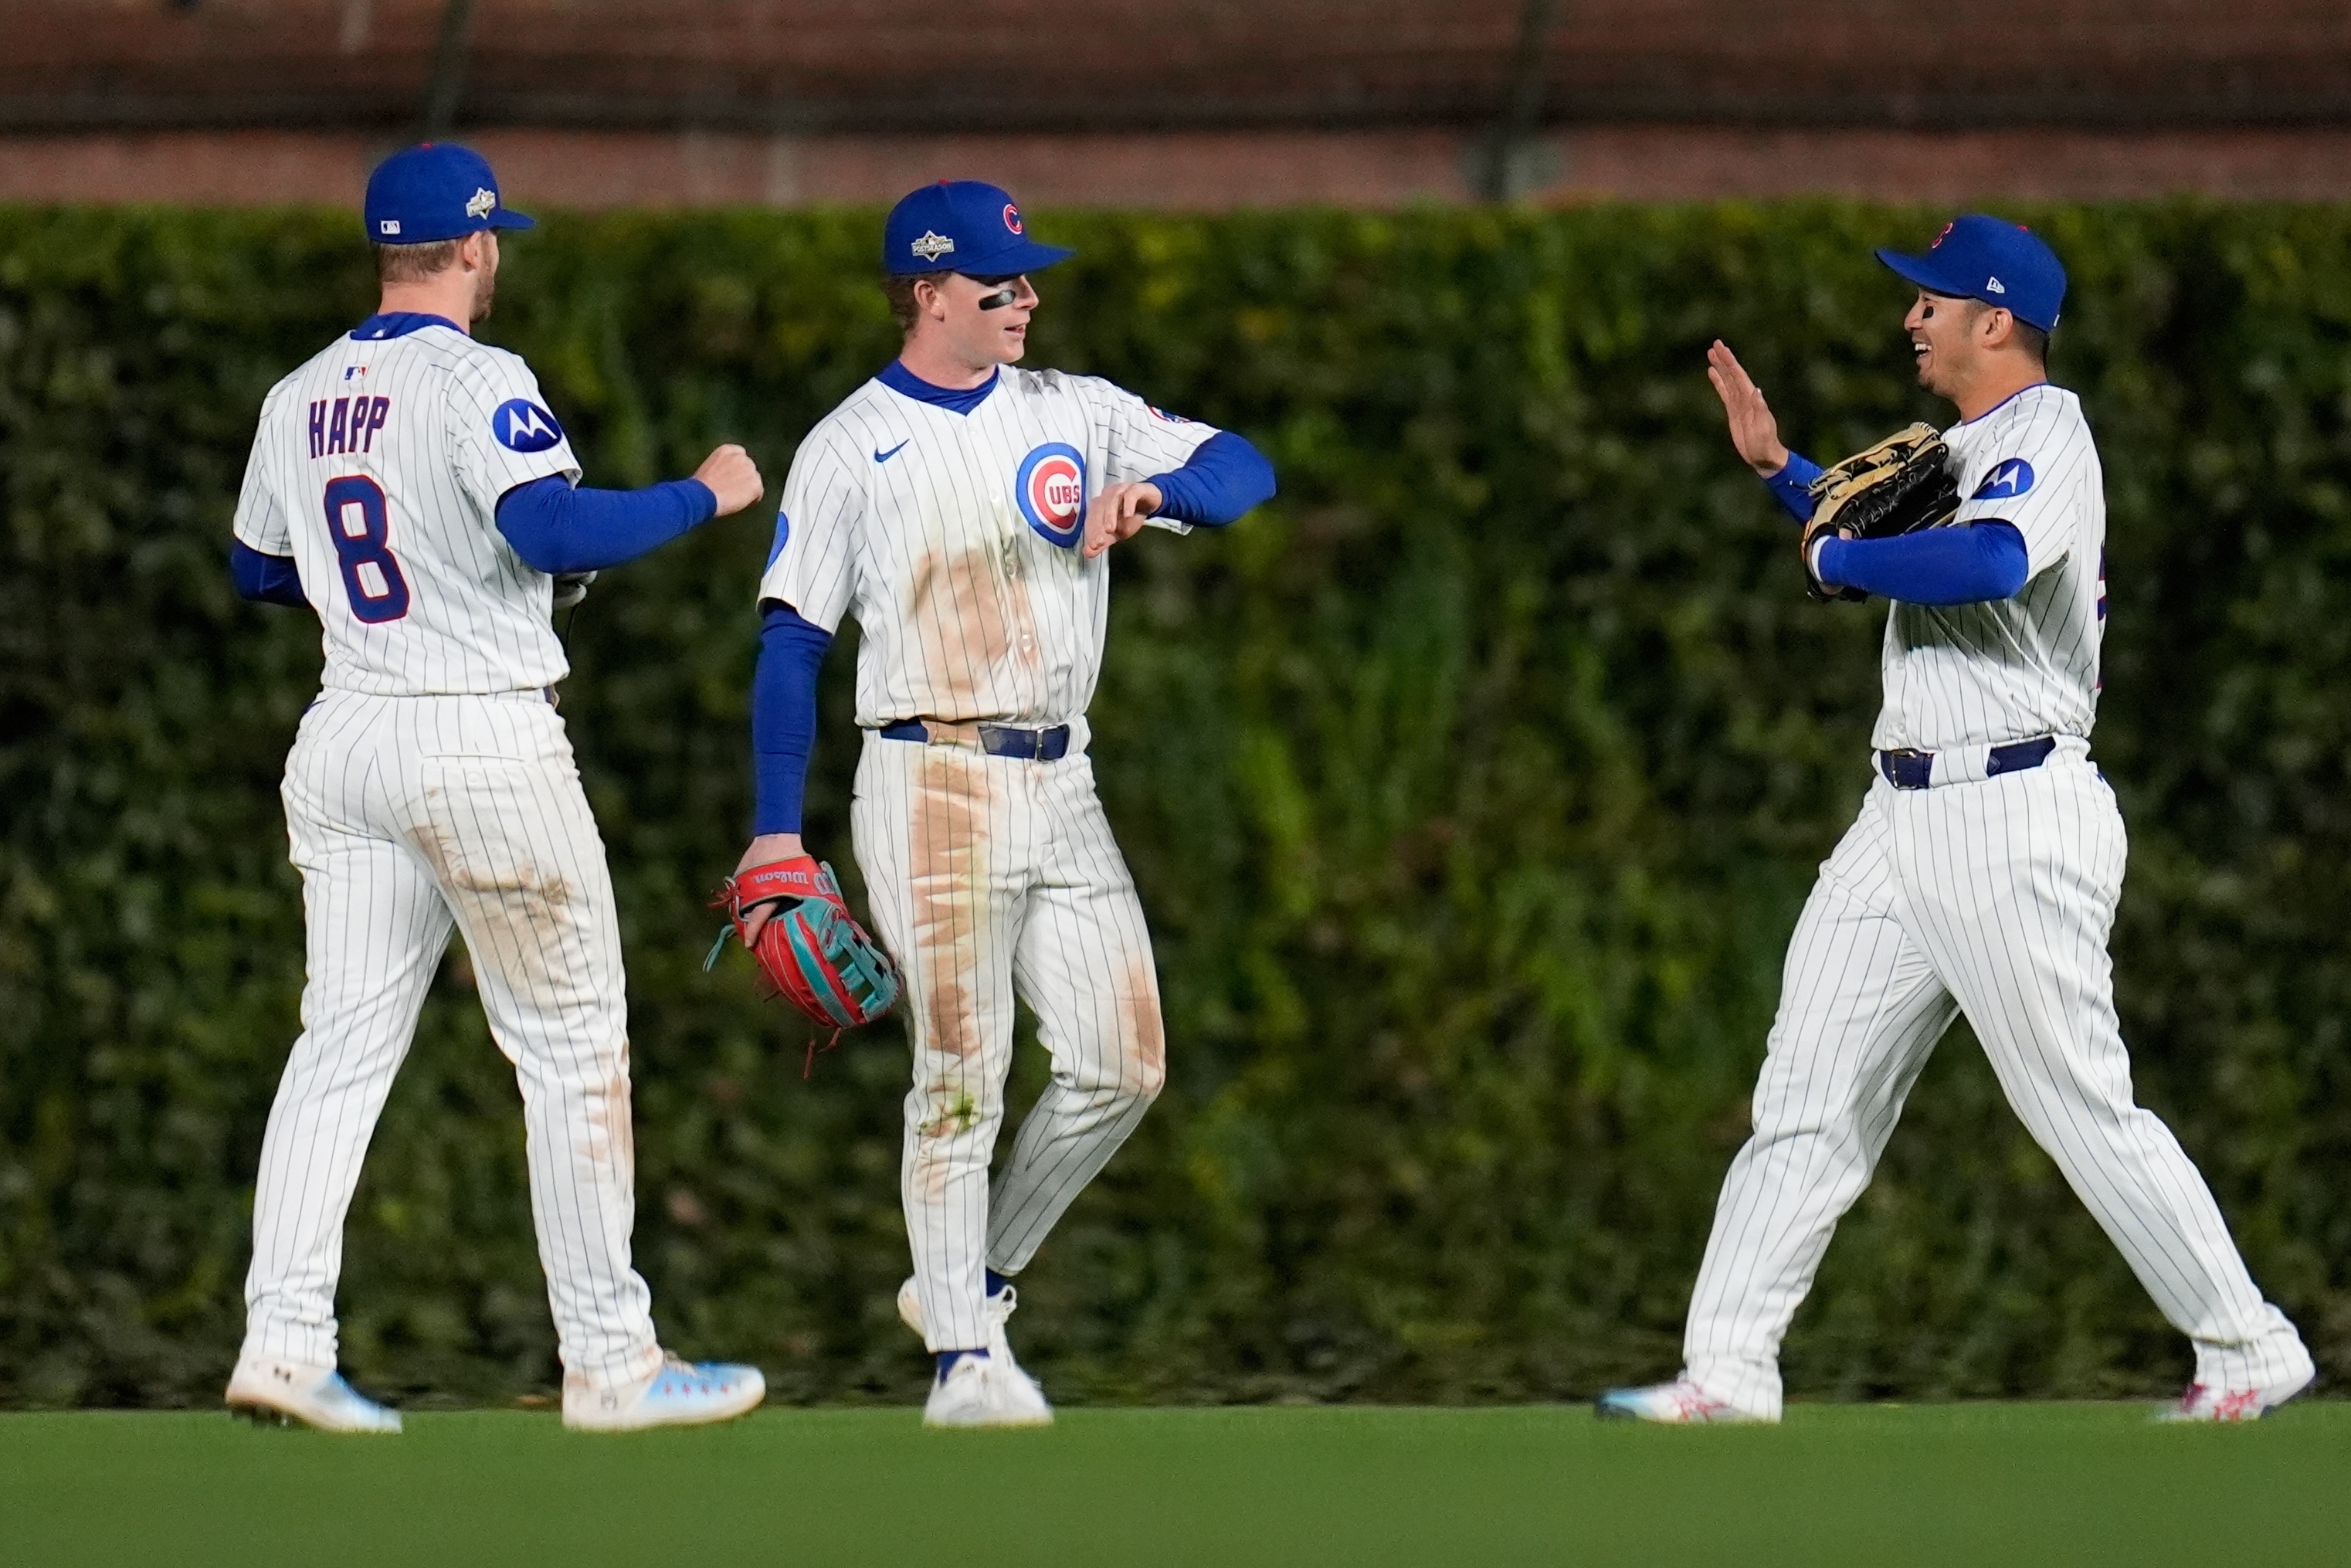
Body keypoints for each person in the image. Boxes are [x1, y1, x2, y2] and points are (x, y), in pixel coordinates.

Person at [1599, 215, 2314, 1424]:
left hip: (2015, 810)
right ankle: (1728, 1369)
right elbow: (1867, 525)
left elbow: (1983, 563)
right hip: (1901, 814)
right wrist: (1784, 474)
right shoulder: (1966, 442)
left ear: (1998, 320)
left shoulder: (2047, 432)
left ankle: (2249, 1345)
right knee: (1807, 1092)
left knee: (2079, 1105)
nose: (1910, 318)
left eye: (1932, 299)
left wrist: (1836, 566)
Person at [224, 142, 768, 1433]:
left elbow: (258, 571)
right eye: (492, 240)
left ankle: (282, 1340)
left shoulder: (299, 392)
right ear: (473, 247)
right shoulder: (480, 376)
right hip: (479, 742)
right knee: (573, 1043)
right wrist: (707, 492)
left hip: (348, 730)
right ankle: (612, 1362)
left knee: (339, 1046)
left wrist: (428, 579)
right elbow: (555, 531)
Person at [734, 180, 1275, 1427]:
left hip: (1061, 777)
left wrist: (1158, 494)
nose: (1026, 296)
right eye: (998, 281)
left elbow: (1246, 469)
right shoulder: (850, 443)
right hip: (926, 776)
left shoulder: (1076, 410)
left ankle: (972, 1279)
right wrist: (776, 823)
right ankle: (963, 1365)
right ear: (928, 295)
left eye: (1028, 277)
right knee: (960, 1069)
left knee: (1121, 1067)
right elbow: (790, 644)